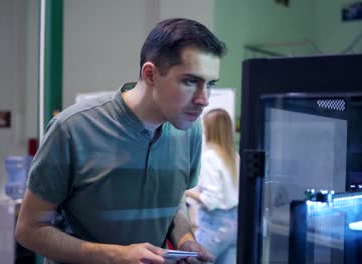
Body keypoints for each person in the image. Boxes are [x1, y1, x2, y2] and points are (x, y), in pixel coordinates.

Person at [15, 18, 226, 264]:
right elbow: (29, 229)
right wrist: (116, 256)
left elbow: (174, 200)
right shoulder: (73, 128)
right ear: (150, 74)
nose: (204, 99)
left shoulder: (190, 131)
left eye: (210, 84)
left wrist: (184, 239)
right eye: (191, 81)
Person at [185, 109, 239, 264]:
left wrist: (187, 192)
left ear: (210, 129)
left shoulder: (209, 158)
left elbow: (212, 201)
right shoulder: (235, 157)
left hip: (215, 228)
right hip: (234, 227)